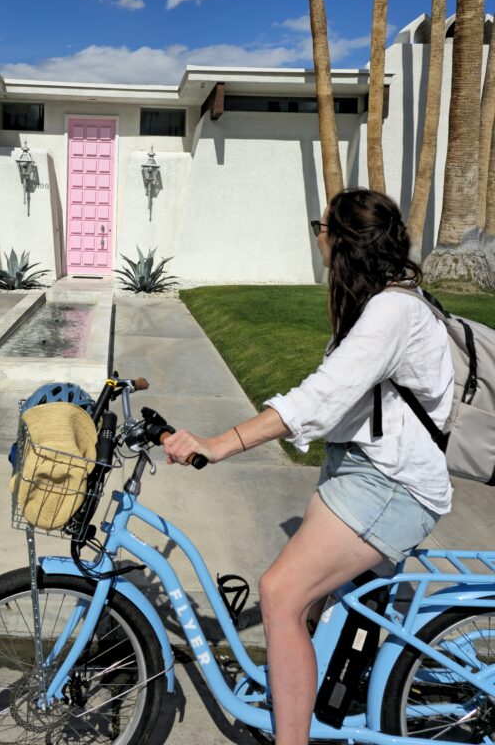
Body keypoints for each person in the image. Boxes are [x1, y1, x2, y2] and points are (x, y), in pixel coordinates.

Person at [163, 188, 453, 745]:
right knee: (312, 607)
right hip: (361, 473)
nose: (317, 235)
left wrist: (222, 443)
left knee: (279, 593)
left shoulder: (393, 310)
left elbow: (321, 397)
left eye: (320, 227)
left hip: (391, 485)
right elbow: (337, 402)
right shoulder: (381, 301)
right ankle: (314, 708)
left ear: (341, 241)